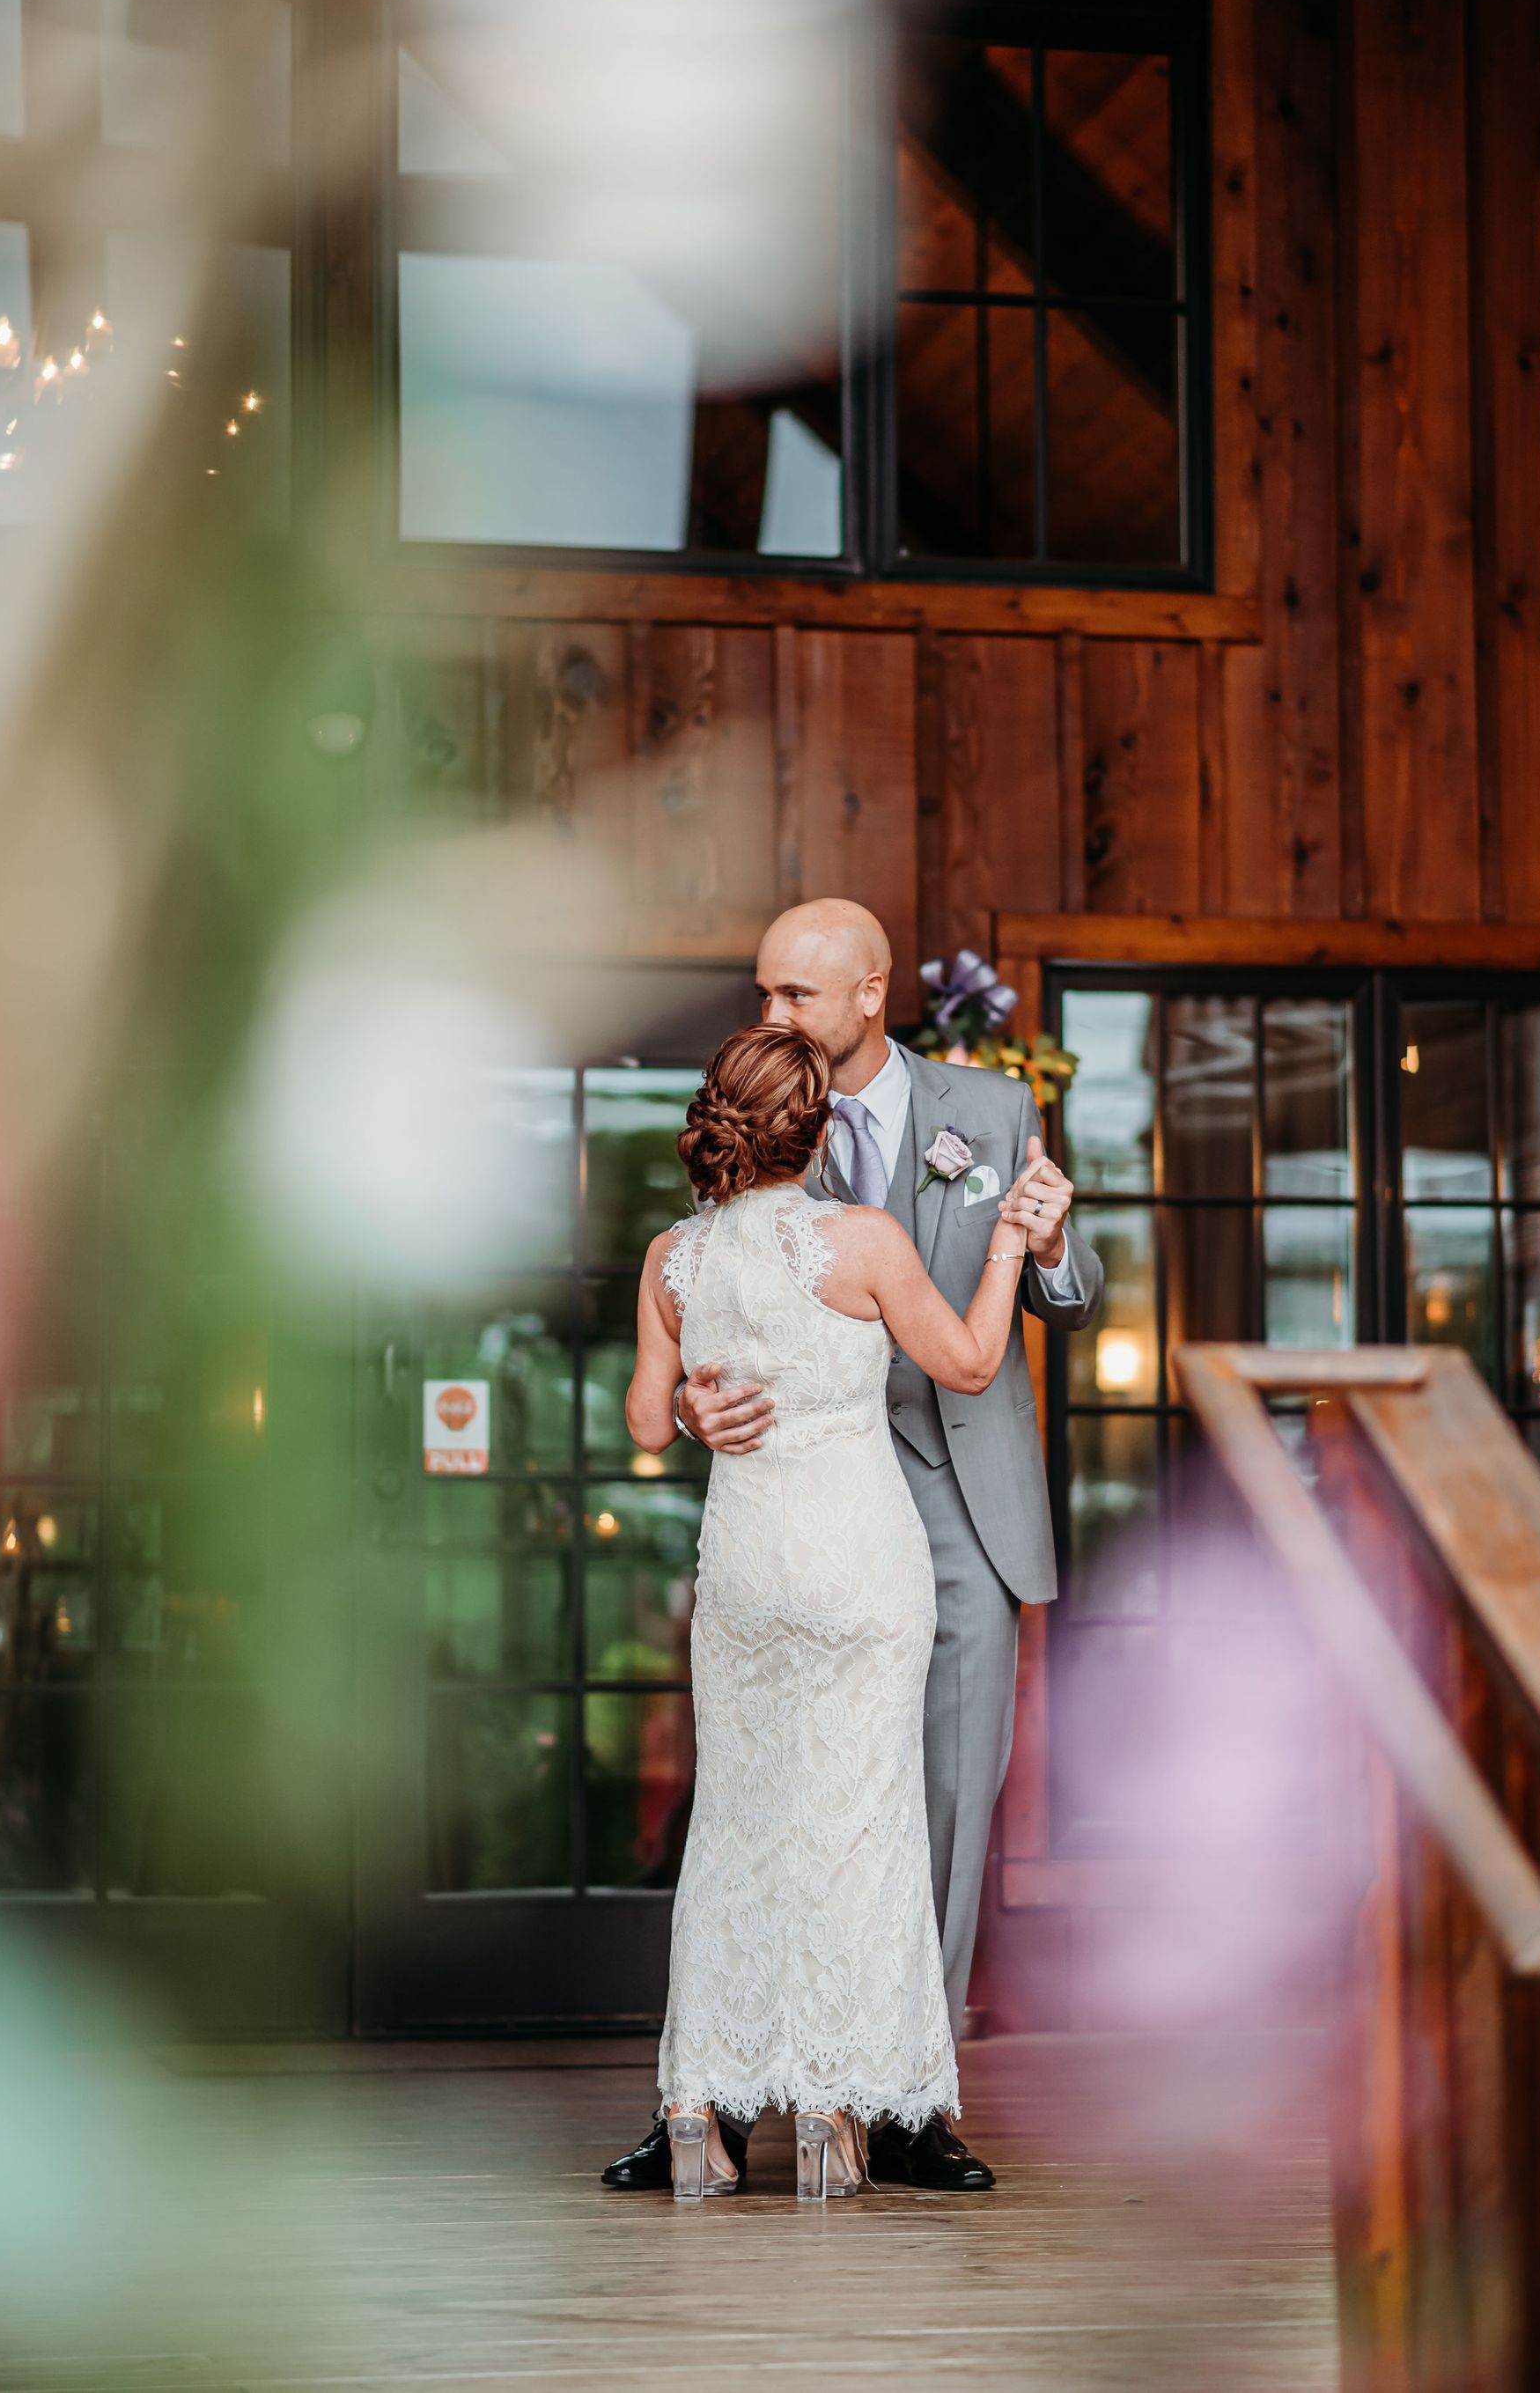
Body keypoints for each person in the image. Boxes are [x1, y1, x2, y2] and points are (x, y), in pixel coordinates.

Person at [602, 902, 1102, 2195]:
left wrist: (1041, 1241)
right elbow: (707, 1330)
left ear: (872, 995)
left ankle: (901, 2103)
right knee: (771, 1798)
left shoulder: (987, 1115)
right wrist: (704, 1405)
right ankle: (738, 2084)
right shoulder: (772, 1109)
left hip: (954, 1497)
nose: (771, 1015)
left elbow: (1068, 1285)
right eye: (763, 991)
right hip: (802, 1485)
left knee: (939, 1800)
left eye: (796, 995)